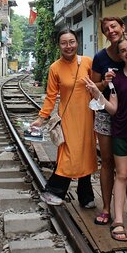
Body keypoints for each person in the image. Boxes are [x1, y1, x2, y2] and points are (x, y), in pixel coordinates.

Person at [84, 34, 127, 242]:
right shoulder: (116, 78)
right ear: (119, 55)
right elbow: (113, 109)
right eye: (123, 51)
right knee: (122, 174)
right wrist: (97, 93)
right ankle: (118, 219)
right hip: (121, 131)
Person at [30, 30, 97, 208]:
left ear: (77, 43)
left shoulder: (88, 62)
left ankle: (85, 195)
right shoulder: (55, 68)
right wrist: (41, 118)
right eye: (64, 43)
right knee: (69, 155)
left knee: (86, 153)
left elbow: (98, 86)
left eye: (72, 42)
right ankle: (53, 191)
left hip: (88, 117)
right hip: (68, 119)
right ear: (59, 46)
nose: (68, 46)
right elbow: (51, 96)